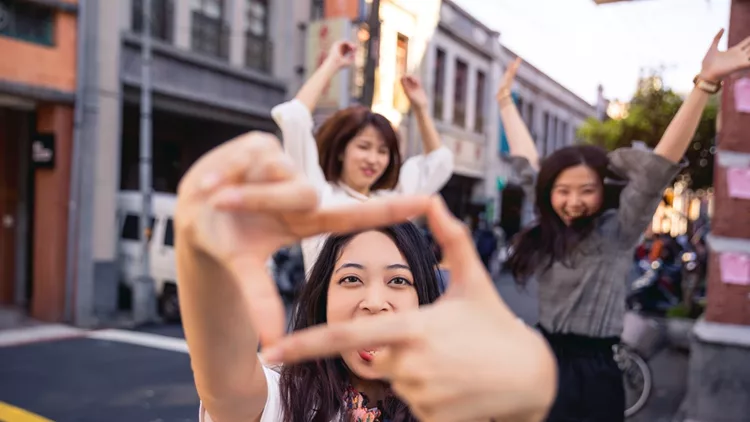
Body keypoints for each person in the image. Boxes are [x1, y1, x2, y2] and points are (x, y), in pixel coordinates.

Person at [175, 131, 557, 422]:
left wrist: (531, 373)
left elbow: (515, 395)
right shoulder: (282, 399)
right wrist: (205, 258)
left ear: (424, 299)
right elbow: (225, 383)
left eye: (398, 281)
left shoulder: (452, 403)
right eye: (351, 280)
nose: (375, 303)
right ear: (321, 296)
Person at [499, 30, 750, 422]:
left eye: (586, 190)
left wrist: (705, 84)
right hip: (542, 361)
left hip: (598, 370)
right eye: (562, 191)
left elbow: (656, 170)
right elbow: (527, 162)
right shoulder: (547, 220)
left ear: (603, 192)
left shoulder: (618, 228)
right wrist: (504, 104)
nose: (574, 201)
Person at [272, 40, 454, 275]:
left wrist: (420, 109)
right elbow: (294, 119)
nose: (373, 159)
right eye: (364, 146)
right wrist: (332, 64)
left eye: (382, 151)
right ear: (340, 151)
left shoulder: (392, 202)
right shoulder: (319, 196)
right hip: (328, 312)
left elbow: (438, 163)